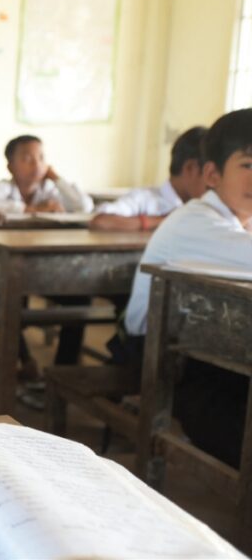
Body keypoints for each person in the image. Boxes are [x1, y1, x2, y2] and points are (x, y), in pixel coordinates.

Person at [118, 108, 252, 467]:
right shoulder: (195, 222)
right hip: (161, 360)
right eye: (249, 165)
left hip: (206, 353)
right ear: (212, 174)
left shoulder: (239, 222)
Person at [90, 127, 208, 231]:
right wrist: (166, 221)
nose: (214, 184)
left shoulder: (207, 208)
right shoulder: (145, 199)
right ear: (190, 168)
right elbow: (100, 221)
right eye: (210, 175)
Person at [0, 135, 94, 215]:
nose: (37, 164)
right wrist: (32, 209)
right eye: (27, 159)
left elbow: (85, 207)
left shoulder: (49, 190)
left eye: (41, 158)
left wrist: (56, 178)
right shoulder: (5, 187)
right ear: (10, 167)